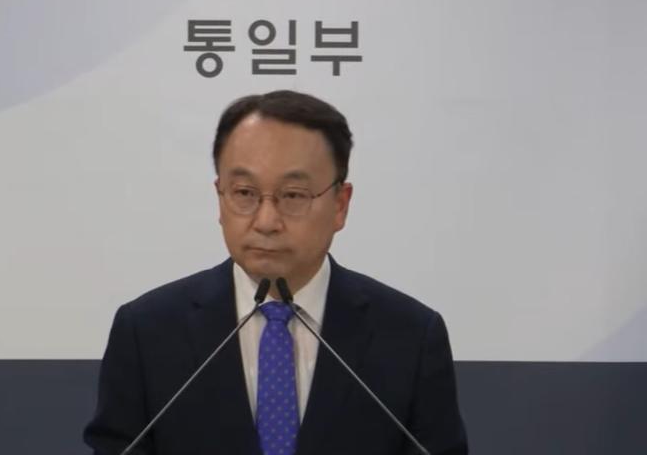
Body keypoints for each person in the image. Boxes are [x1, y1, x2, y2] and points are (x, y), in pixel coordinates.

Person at [84, 90, 468, 455]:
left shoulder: (411, 337)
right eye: (244, 193)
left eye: (293, 195)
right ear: (220, 197)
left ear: (340, 204)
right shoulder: (147, 332)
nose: (266, 221)